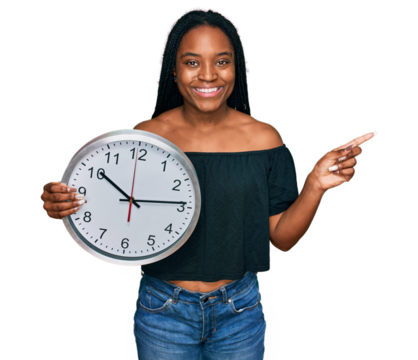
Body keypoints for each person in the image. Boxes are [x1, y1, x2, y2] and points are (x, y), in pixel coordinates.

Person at [39, 5, 378, 359]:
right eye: (191, 62)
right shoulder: (146, 137)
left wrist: (315, 186)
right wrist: (64, 204)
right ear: (173, 69)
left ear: (237, 68)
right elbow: (116, 208)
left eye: (221, 61)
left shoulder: (266, 139)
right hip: (162, 310)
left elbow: (282, 238)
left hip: (239, 312)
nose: (207, 76)